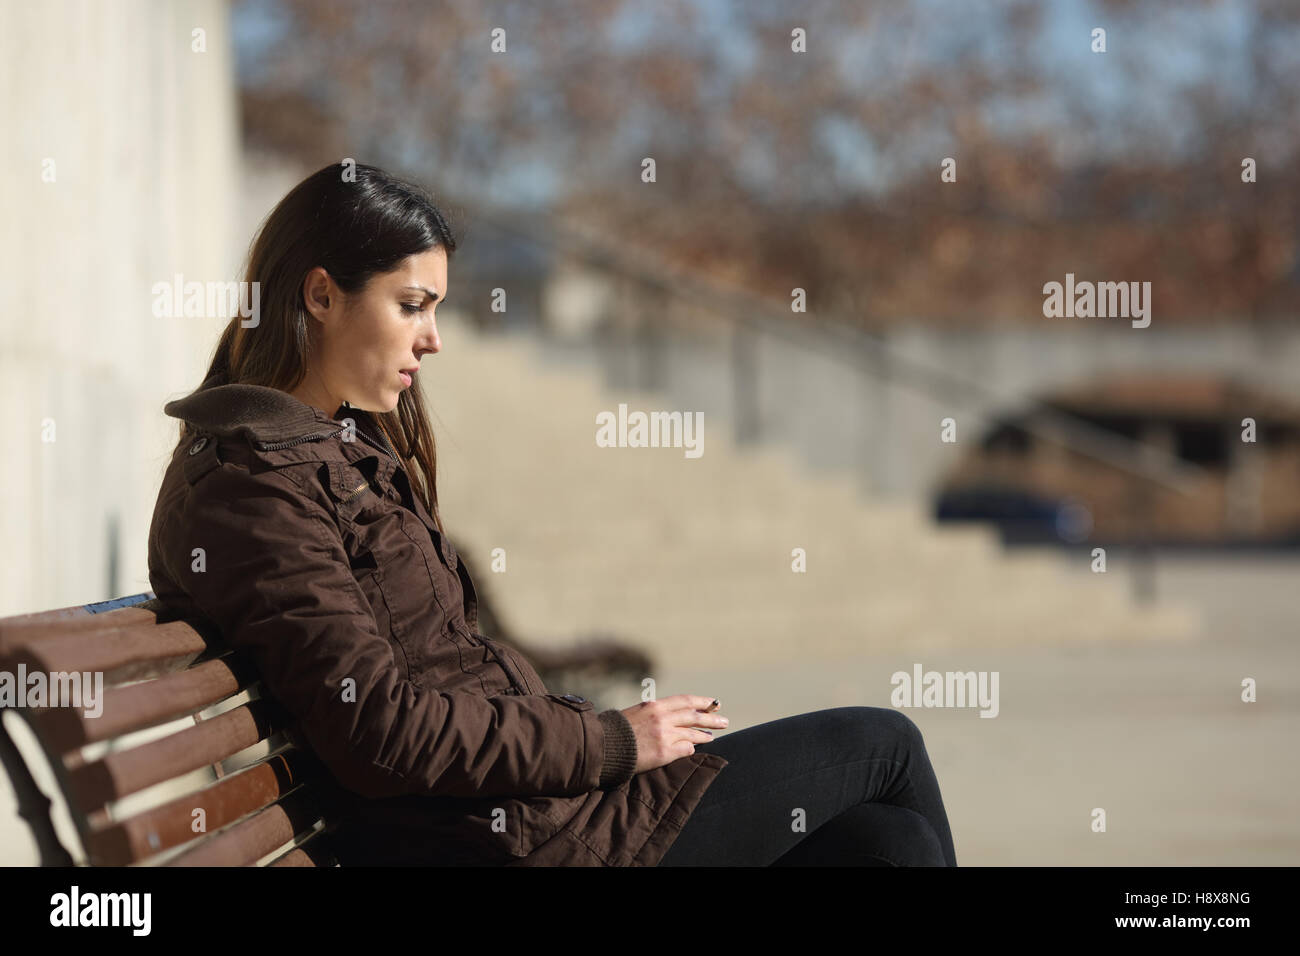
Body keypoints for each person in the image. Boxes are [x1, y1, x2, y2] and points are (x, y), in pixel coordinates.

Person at [147, 161, 957, 866]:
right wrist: (610, 742)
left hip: (535, 816)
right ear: (321, 294)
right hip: (514, 843)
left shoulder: (326, 454)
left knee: (891, 847)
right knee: (883, 745)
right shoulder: (258, 487)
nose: (433, 340)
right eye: (412, 305)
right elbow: (380, 730)